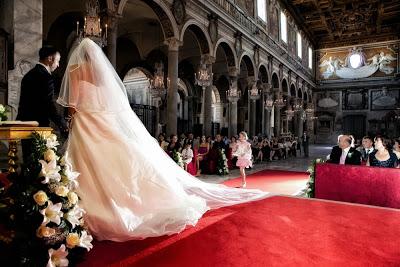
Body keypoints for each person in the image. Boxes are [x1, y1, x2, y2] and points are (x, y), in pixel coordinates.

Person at [57, 38, 269, 241]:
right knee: (112, 159)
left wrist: (69, 118)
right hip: (102, 120)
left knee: (88, 160)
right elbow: (108, 103)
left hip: (85, 120)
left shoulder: (76, 70)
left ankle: (84, 205)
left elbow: (72, 102)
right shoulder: (99, 74)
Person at [17, 46, 68, 161]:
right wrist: (62, 124)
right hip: (38, 126)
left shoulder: (28, 75)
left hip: (24, 124)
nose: (58, 65)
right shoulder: (46, 77)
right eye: (58, 61)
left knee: (28, 160)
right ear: (50, 59)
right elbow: (48, 104)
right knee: (40, 164)